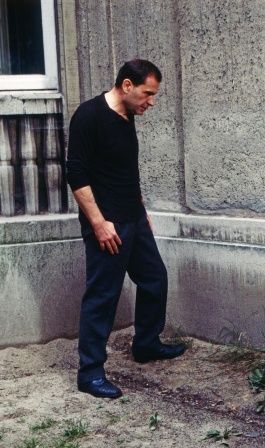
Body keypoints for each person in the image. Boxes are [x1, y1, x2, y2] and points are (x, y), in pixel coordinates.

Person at [66, 59, 186, 399]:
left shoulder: (127, 115)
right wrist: (99, 223)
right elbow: (76, 173)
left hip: (134, 218)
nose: (151, 101)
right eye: (147, 94)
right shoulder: (89, 116)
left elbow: (124, 171)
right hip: (108, 224)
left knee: (154, 279)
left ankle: (146, 344)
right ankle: (89, 373)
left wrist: (141, 210)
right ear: (127, 86)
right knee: (102, 295)